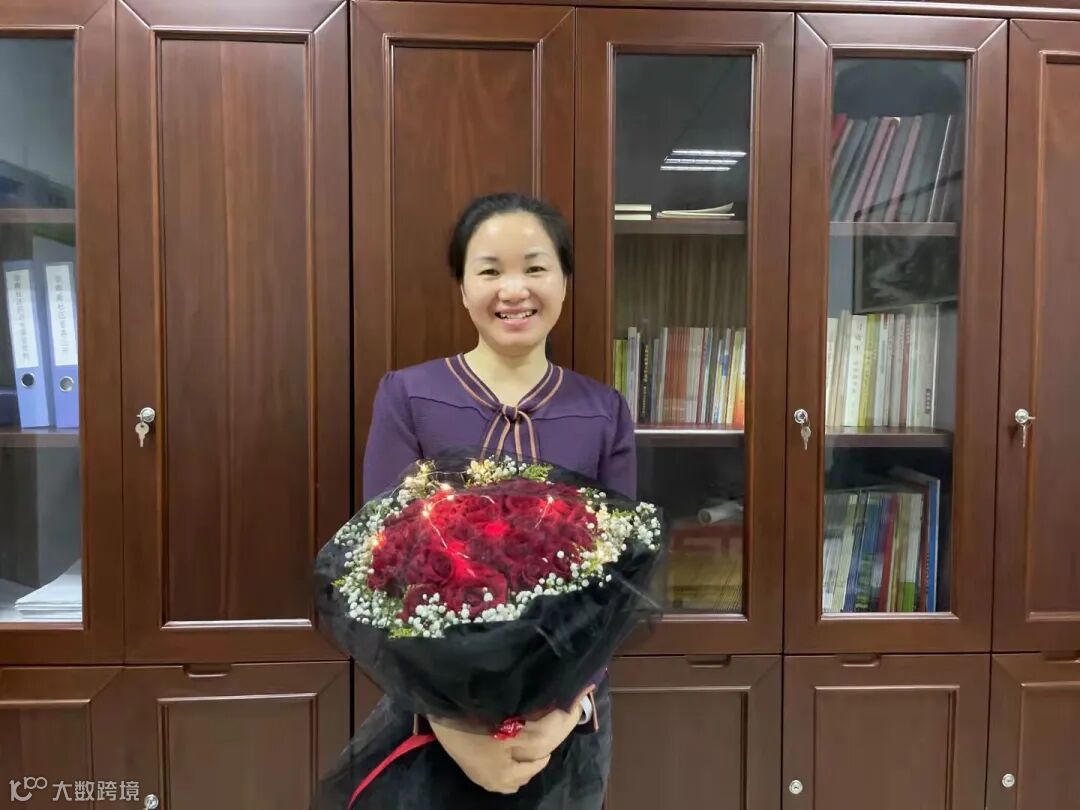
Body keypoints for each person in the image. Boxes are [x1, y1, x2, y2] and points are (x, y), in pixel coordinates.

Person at [316, 192, 636, 809]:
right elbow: (379, 569)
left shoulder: (604, 410)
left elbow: (619, 586)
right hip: (433, 721)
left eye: (535, 267)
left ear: (564, 282)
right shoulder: (409, 396)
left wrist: (564, 713)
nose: (514, 289)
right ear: (463, 288)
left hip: (568, 726)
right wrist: (454, 727)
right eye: (490, 270)